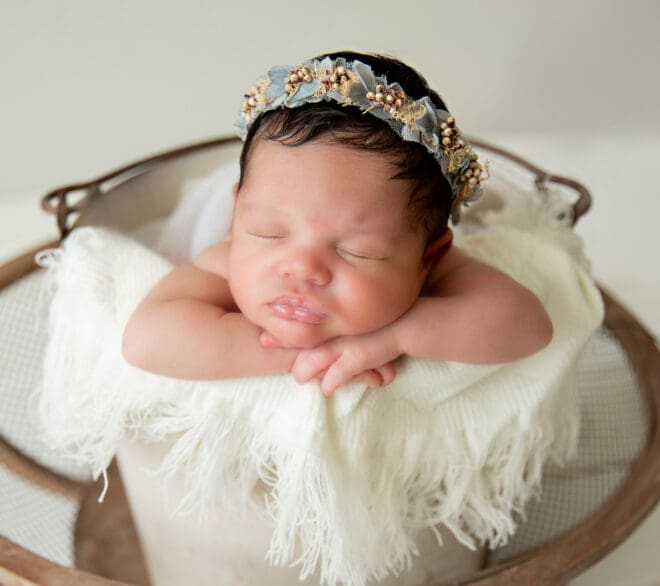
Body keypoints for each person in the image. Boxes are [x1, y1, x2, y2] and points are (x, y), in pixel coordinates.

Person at [122, 51, 553, 396]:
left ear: (428, 256)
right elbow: (146, 339)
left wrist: (399, 335)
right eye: (268, 232)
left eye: (357, 250)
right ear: (236, 220)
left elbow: (529, 326)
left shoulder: (436, 271)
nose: (301, 267)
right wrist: (308, 354)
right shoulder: (225, 261)